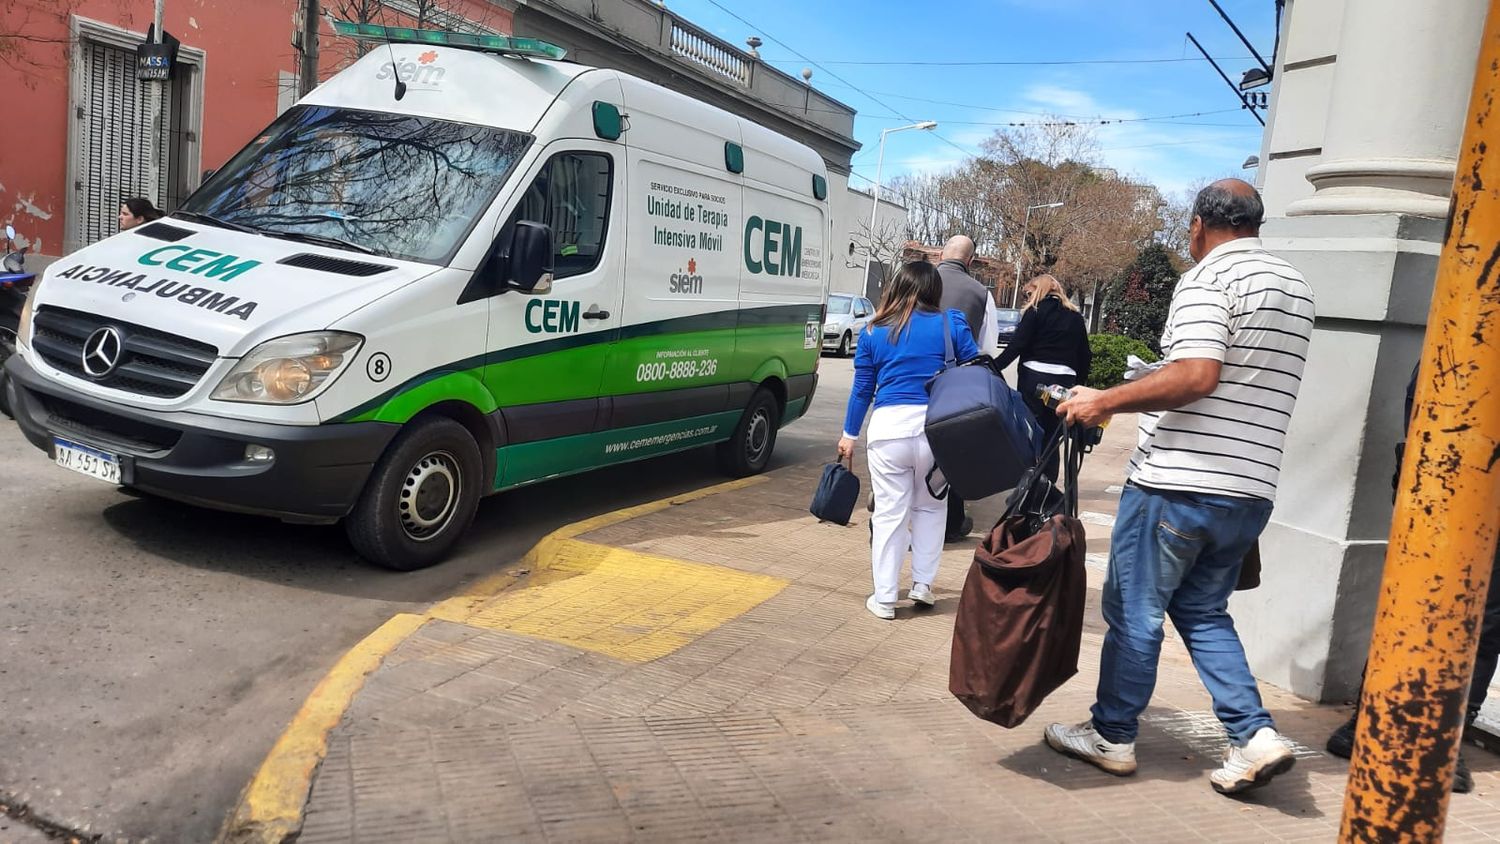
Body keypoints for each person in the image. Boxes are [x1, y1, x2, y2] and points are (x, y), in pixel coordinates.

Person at [1042, 179, 1314, 796]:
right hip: (1250, 487)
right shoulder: (1294, 287)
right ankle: (1254, 736)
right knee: (1202, 611)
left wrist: (1105, 400)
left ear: (1197, 225)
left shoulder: (1208, 279)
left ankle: (1111, 735)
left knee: (1135, 612)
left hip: (1179, 482)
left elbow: (1197, 374)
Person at [1322, 362, 1500, 794]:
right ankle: (1376, 721)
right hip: (1452, 497)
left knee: (1485, 620)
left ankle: (1442, 735)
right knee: (1421, 605)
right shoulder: (1469, 335)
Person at [839, 260, 979, 620]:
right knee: (932, 507)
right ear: (935, 290)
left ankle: (885, 598)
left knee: (889, 514)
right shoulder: (951, 323)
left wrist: (848, 435)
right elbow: (977, 369)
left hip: (888, 431)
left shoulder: (872, 332)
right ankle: (923, 585)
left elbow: (862, 391)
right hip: (937, 431)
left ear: (896, 287)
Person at [936, 235, 1001, 543]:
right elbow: (986, 347)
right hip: (953, 382)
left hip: (906, 378)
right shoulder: (980, 293)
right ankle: (951, 521)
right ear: (971, 261)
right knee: (948, 450)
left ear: (939, 254)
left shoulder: (913, 281)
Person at [994, 274, 1091, 477]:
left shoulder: (1035, 312)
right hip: (1063, 380)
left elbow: (1017, 346)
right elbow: (1084, 354)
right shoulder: (1075, 316)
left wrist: (994, 367)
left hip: (1034, 378)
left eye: (1029, 293)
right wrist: (1078, 385)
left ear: (1038, 290)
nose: (1028, 298)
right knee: (1053, 432)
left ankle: (1029, 481)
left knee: (1031, 429)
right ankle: (1048, 483)